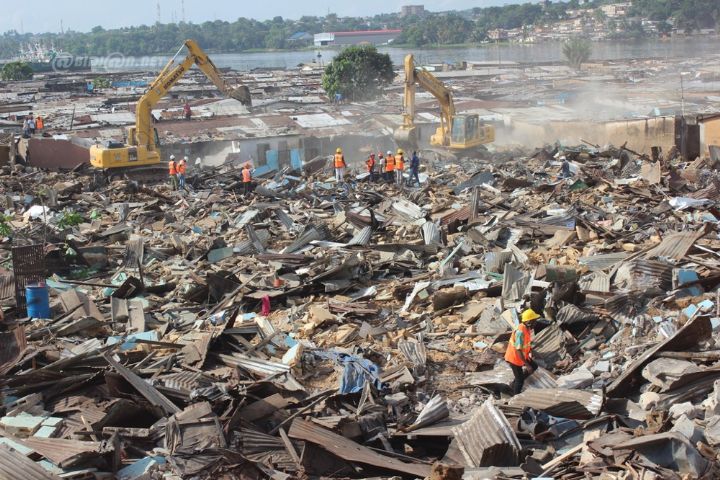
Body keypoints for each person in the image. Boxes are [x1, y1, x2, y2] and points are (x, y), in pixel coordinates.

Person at [505, 309, 540, 395]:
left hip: (522, 356)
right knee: (520, 379)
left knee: (534, 366)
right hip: (514, 358)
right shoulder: (520, 332)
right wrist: (527, 365)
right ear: (528, 322)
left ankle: (514, 383)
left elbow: (526, 344)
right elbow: (518, 349)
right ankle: (515, 396)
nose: (536, 323)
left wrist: (530, 353)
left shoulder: (527, 328)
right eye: (534, 321)